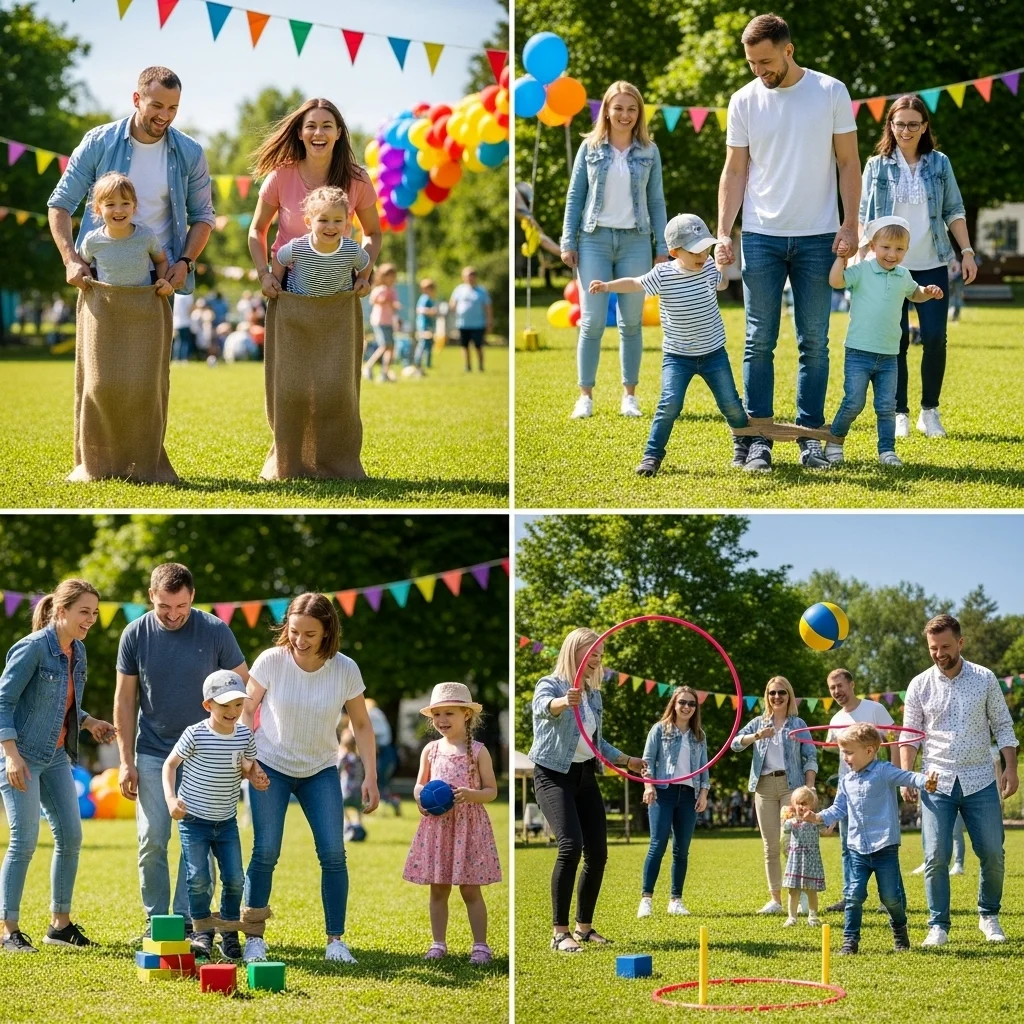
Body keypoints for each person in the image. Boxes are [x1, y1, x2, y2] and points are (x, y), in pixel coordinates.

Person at [716, 14, 861, 472]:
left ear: (789, 49)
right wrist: (724, 230)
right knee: (759, 339)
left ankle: (809, 438)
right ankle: (758, 440)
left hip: (820, 235)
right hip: (760, 236)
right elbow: (735, 171)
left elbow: (848, 164)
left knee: (814, 341)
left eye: (765, 61)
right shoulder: (743, 101)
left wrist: (851, 224)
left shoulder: (830, 92)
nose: (759, 71)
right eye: (752, 63)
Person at [113, 562, 249, 946]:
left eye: (181, 607)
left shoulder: (215, 630)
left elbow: (246, 685)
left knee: (199, 841)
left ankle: (190, 920)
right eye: (164, 607)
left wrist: (239, 744)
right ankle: (158, 920)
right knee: (153, 838)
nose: (173, 615)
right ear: (151, 598)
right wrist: (125, 760)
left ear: (192, 598)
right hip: (154, 751)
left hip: (206, 753)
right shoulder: (134, 634)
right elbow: (124, 700)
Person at [239, 593, 379, 964]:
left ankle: (336, 941)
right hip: (270, 765)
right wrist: (246, 757)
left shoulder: (345, 669)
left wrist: (371, 777)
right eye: (294, 631)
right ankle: (254, 937)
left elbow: (361, 725)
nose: (299, 640)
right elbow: (246, 708)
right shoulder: (271, 661)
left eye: (310, 634)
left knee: (334, 853)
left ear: (327, 632)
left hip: (320, 770)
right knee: (265, 851)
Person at [0, 580, 116, 952]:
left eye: (95, 612)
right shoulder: (33, 648)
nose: (91, 619)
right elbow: (3, 701)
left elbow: (60, 706)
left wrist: (89, 721)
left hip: (54, 757)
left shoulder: (77, 652)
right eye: (85, 611)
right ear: (61, 611)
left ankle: (60, 926)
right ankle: (7, 931)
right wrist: (11, 756)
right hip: (21, 756)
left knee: (71, 836)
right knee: (24, 841)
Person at [589, 213, 749, 477]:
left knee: (730, 403)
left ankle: (743, 444)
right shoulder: (663, 274)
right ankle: (652, 456)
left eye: (705, 247)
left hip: (713, 353)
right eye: (695, 250)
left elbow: (720, 284)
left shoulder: (708, 265)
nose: (702, 254)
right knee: (669, 405)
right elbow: (634, 283)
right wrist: (607, 286)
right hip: (678, 356)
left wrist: (720, 266)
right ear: (674, 252)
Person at [859, 95, 977, 439]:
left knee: (935, 338)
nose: (906, 131)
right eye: (900, 124)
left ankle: (930, 410)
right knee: (895, 342)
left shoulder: (939, 164)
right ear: (890, 126)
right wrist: (859, 258)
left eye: (913, 124)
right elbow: (867, 217)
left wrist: (966, 251)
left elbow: (954, 210)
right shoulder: (876, 165)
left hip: (932, 264)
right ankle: (900, 413)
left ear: (924, 126)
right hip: (889, 269)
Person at [899, 613, 1019, 947]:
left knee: (993, 852)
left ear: (961, 643)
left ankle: (988, 915)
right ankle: (938, 925)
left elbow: (1004, 726)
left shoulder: (985, 678)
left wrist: (1011, 767)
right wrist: (909, 776)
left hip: (980, 779)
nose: (939, 653)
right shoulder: (919, 685)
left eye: (945, 646)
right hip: (936, 782)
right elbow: (909, 736)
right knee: (935, 855)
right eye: (933, 648)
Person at [528, 628, 646, 952]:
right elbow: (542, 708)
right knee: (570, 846)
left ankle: (584, 928)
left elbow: (595, 742)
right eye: (591, 652)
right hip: (552, 774)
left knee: (598, 853)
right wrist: (563, 702)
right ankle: (559, 933)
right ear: (573, 652)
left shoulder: (594, 695)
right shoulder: (550, 684)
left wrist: (627, 761)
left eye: (600, 654)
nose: (597, 659)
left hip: (584, 775)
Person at [48, 66, 214, 297]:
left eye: (172, 108)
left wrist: (186, 262)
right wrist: (70, 260)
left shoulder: (191, 152)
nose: (164, 115)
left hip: (158, 280)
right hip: (99, 276)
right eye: (156, 106)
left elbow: (203, 216)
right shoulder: (99, 142)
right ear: (137, 99)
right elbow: (60, 203)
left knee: (157, 336)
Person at [562, 81, 669, 419]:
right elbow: (575, 196)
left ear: (639, 114)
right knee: (592, 321)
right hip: (593, 240)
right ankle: (585, 396)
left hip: (636, 242)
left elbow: (656, 201)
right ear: (606, 110)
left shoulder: (649, 151)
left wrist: (662, 247)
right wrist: (568, 241)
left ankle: (629, 396)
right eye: (618, 108)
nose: (625, 115)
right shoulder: (590, 148)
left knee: (631, 323)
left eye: (632, 108)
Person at [801, 723, 937, 954]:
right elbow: (838, 809)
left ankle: (899, 931)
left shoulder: (884, 771)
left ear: (870, 750)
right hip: (856, 849)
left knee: (891, 897)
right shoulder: (846, 780)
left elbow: (907, 776)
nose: (845, 757)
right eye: (843, 752)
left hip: (884, 847)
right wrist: (817, 817)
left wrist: (926, 781)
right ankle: (849, 941)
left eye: (850, 752)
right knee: (853, 895)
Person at [162, 670, 270, 961]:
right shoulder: (195, 734)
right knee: (198, 878)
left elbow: (247, 766)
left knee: (235, 879)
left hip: (226, 823)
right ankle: (201, 931)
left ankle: (229, 932)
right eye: (225, 705)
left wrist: (255, 775)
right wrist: (171, 798)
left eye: (238, 704)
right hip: (194, 822)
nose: (233, 711)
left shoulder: (244, 735)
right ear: (208, 705)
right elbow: (169, 766)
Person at [824, 217, 944, 468]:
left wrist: (928, 292)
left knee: (887, 407)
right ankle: (834, 441)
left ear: (906, 251)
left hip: (889, 355)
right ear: (873, 246)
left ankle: (887, 451)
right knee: (853, 402)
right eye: (886, 247)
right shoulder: (863, 270)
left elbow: (915, 293)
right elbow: (836, 281)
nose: (892, 254)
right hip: (858, 352)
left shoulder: (903, 275)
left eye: (899, 249)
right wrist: (841, 259)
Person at [404, 682, 501, 964]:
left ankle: (481, 946)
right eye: (437, 715)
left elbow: (492, 791)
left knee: (470, 888)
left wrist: (471, 795)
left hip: (468, 828)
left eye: (449, 713)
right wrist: (422, 800)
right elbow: (419, 786)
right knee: (438, 887)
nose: (442, 720)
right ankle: (438, 943)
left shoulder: (479, 751)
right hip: (438, 827)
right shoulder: (430, 751)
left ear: (466, 715)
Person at [248, 97, 380, 301]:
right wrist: (264, 275)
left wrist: (364, 276)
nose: (318, 133)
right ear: (300, 133)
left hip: (340, 287)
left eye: (327, 126)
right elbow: (257, 230)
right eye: (311, 126)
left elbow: (372, 232)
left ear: (338, 133)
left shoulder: (358, 179)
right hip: (287, 288)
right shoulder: (281, 175)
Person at [730, 676, 817, 913]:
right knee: (770, 846)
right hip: (764, 788)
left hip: (792, 788)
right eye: (772, 693)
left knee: (793, 844)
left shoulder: (799, 724)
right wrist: (758, 736)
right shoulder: (758, 722)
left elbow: (810, 757)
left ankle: (800, 897)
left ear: (789, 695)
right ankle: (776, 900)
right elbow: (734, 744)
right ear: (766, 697)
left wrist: (809, 788)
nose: (777, 697)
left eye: (782, 692)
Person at [822, 668, 895, 913]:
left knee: (883, 844)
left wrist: (894, 774)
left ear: (852, 684)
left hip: (876, 786)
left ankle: (888, 899)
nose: (836, 692)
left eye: (840, 686)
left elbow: (895, 741)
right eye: (832, 688)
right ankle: (850, 896)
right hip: (848, 788)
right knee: (847, 845)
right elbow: (839, 755)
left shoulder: (874, 709)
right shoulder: (835, 720)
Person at [637, 686, 709, 919]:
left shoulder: (699, 735)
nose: (687, 707)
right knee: (657, 845)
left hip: (689, 795)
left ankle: (676, 900)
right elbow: (646, 763)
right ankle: (646, 899)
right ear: (674, 704)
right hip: (663, 792)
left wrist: (704, 794)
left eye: (691, 703)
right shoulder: (659, 730)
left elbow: (704, 768)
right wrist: (648, 787)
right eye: (682, 703)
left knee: (681, 850)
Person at [77, 173, 172, 294]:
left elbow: (161, 260)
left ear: (134, 206)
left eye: (125, 203)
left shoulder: (146, 236)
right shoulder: (92, 241)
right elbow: (83, 265)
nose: (118, 210)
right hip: (106, 306)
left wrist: (163, 281)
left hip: (142, 303)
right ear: (98, 209)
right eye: (110, 204)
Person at [273, 186, 369, 297]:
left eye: (338, 221)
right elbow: (279, 259)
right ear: (308, 221)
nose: (331, 226)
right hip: (300, 304)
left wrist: (362, 279)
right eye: (323, 220)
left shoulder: (352, 250)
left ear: (346, 222)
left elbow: (365, 264)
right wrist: (277, 283)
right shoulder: (297, 247)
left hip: (338, 306)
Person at [780, 787, 825, 926]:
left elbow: (826, 830)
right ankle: (792, 917)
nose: (801, 806)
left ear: (812, 805)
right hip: (796, 861)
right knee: (793, 890)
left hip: (810, 861)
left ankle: (813, 916)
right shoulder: (791, 822)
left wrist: (824, 821)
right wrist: (785, 815)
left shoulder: (815, 821)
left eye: (804, 803)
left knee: (811, 890)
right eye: (798, 803)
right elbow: (784, 830)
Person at [449, 266, 492, 372]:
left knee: (478, 346)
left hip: (478, 324)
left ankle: (481, 366)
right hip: (463, 323)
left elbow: (488, 307)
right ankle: (467, 366)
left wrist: (489, 321)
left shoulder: (481, 291)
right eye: (467, 276)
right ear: (463, 277)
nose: (470, 278)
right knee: (465, 346)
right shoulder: (459, 290)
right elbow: (452, 303)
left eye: (472, 275)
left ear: (475, 277)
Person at [364, 264, 401, 382]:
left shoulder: (392, 291)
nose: (391, 279)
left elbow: (394, 304)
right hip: (379, 321)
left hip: (389, 321)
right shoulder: (379, 289)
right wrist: (383, 300)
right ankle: (368, 367)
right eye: (388, 276)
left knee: (390, 347)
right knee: (384, 345)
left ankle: (385, 372)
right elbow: (373, 301)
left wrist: (395, 305)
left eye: (393, 276)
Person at [365, 697, 400, 815]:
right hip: (389, 752)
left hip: (383, 752)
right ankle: (392, 802)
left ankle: (386, 803)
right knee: (383, 783)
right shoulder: (379, 713)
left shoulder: (372, 714)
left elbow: (371, 733)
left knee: (378, 782)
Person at [338, 730, 365, 829]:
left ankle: (347, 822)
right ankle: (359, 824)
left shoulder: (344, 758)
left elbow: (338, 769)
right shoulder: (359, 758)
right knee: (358, 807)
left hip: (347, 789)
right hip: (358, 788)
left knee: (341, 806)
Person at [415, 278, 439, 371]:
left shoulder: (429, 299)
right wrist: (431, 311)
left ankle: (428, 364)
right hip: (423, 325)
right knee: (423, 344)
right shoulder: (424, 298)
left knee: (429, 345)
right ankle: (418, 362)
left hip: (429, 325)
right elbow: (420, 310)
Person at [172, 290, 196, 361]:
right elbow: (190, 309)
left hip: (176, 322)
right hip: (185, 321)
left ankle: (176, 357)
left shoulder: (176, 295)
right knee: (185, 341)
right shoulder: (188, 295)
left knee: (178, 341)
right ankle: (183, 358)